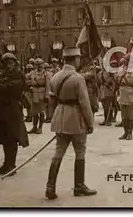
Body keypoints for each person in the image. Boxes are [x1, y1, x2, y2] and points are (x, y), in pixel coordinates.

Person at [45, 47, 96, 200]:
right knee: (80, 151)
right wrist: (90, 122)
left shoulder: (55, 77)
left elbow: (52, 100)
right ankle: (79, 186)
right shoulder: (78, 78)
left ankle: (50, 187)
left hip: (60, 116)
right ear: (75, 59)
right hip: (76, 119)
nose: (80, 60)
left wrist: (55, 116)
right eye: (79, 58)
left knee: (58, 152)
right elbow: (84, 103)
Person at [0, 53, 29, 176]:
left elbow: (14, 86)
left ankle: (11, 165)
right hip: (2, 111)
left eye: (11, 63)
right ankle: (6, 164)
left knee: (12, 137)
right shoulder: (2, 74)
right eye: (7, 63)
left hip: (13, 110)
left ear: (15, 63)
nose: (9, 65)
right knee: (5, 138)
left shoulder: (18, 74)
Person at [116, 54, 133, 140]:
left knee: (130, 115)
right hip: (122, 94)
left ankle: (130, 133)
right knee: (123, 115)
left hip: (131, 94)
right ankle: (125, 132)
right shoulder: (121, 69)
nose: (125, 61)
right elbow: (117, 81)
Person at [27, 58, 48, 134]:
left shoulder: (45, 73)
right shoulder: (32, 73)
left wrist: (47, 96)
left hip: (42, 94)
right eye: (37, 64)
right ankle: (34, 127)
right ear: (35, 65)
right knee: (34, 112)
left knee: (41, 112)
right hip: (34, 93)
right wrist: (29, 85)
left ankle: (40, 127)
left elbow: (48, 85)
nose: (39, 66)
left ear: (43, 65)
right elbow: (25, 79)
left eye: (40, 64)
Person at [97, 59, 117, 126]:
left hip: (109, 90)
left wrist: (113, 90)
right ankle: (105, 120)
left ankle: (109, 120)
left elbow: (114, 82)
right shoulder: (100, 73)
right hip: (102, 90)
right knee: (104, 106)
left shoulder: (110, 72)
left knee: (109, 106)